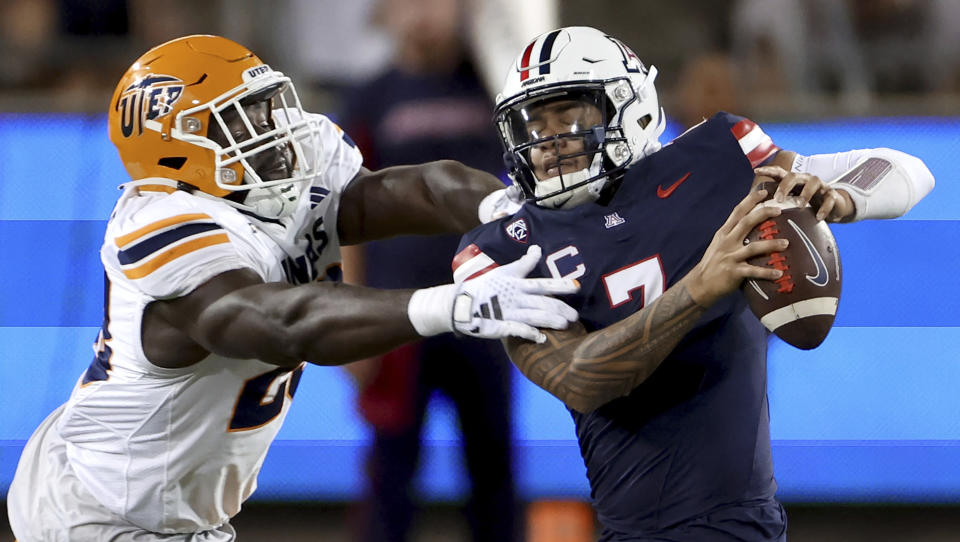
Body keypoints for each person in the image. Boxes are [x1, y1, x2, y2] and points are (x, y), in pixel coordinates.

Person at [5, 35, 580, 541]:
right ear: (176, 147)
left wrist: (508, 205)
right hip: (98, 508)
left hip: (176, 508)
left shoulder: (289, 173)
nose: (275, 128)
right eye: (243, 119)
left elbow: (409, 190)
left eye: (268, 106)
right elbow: (281, 323)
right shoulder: (161, 221)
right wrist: (448, 306)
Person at [455, 26, 934, 542]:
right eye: (532, 124)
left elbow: (909, 170)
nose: (547, 144)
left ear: (629, 107)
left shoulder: (718, 160)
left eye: (568, 118)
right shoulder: (509, 247)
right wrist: (698, 288)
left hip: (741, 524)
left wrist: (837, 198)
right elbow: (579, 379)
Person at [337, 0, 520, 540]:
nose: (423, 13)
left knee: (494, 470)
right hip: (398, 321)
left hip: (491, 316)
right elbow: (341, 217)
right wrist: (352, 323)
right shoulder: (371, 97)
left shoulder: (495, 88)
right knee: (390, 475)